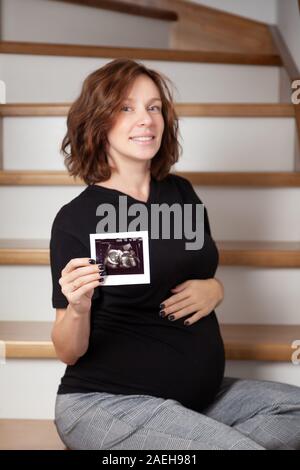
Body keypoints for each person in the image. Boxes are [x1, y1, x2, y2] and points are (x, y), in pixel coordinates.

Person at [50, 58, 300, 450]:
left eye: (153, 108)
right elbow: (68, 349)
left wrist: (215, 288)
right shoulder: (77, 218)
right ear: (98, 123)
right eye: (126, 108)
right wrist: (79, 307)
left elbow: (191, 269)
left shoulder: (181, 194)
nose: (146, 119)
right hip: (109, 402)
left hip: (199, 402)